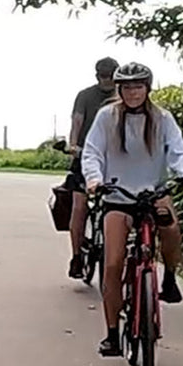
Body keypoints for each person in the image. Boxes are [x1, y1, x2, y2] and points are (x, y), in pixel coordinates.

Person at [80, 62, 183, 357]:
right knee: (112, 263)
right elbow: (92, 151)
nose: (133, 92)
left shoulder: (162, 118)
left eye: (138, 86)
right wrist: (95, 180)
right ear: (120, 89)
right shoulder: (107, 117)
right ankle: (111, 334)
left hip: (153, 190)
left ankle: (169, 277)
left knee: (171, 229)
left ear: (147, 88)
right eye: (127, 87)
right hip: (117, 195)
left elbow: (178, 149)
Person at [64, 57, 119, 278]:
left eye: (108, 76)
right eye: (101, 76)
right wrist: (73, 147)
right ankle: (77, 257)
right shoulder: (85, 96)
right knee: (79, 207)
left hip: (115, 159)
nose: (105, 80)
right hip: (86, 157)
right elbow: (76, 123)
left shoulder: (123, 96)